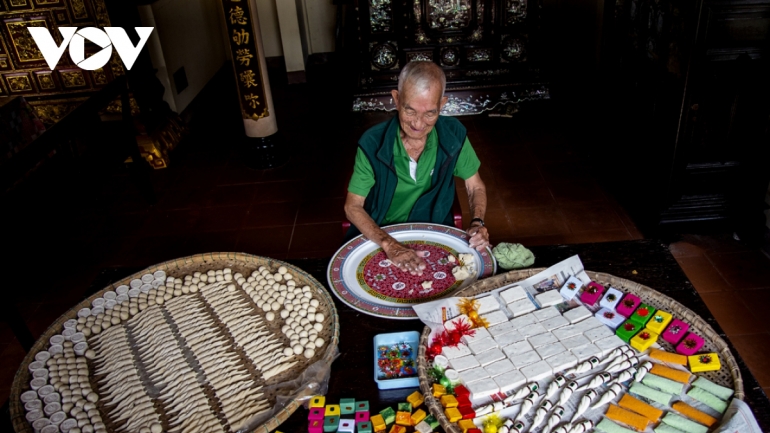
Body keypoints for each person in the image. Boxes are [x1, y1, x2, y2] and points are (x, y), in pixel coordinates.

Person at [344, 61, 490, 276]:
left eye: (430, 113)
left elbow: (475, 187)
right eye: (410, 111)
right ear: (396, 99)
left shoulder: (453, 135)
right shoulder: (373, 143)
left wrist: (478, 222)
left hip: (434, 231)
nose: (418, 124)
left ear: (442, 105)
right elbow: (352, 207)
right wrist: (390, 245)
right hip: (383, 235)